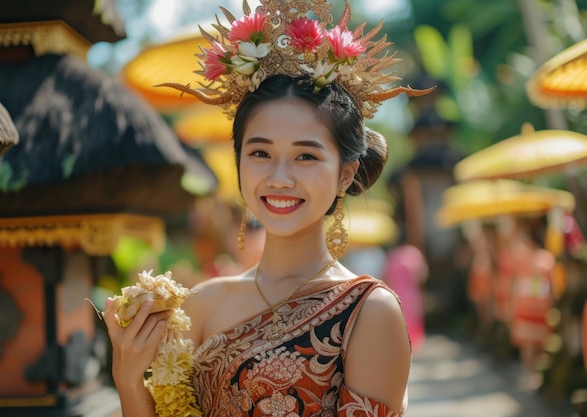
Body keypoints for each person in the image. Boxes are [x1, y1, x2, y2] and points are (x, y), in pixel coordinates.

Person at [103, 1, 432, 416]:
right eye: (260, 153)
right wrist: (128, 378)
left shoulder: (367, 312)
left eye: (306, 157)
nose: (279, 177)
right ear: (238, 161)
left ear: (346, 175)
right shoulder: (201, 305)